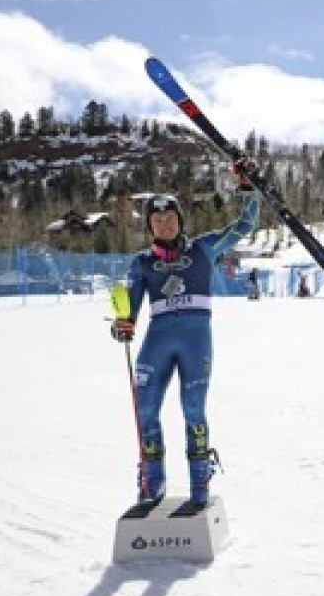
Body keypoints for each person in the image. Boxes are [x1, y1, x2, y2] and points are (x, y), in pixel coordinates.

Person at [109, 176, 260, 514]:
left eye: (170, 217)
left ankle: (199, 484)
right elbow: (129, 309)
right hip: (157, 339)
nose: (164, 223)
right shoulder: (142, 263)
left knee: (193, 408)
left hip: (195, 340)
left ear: (180, 219)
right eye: (157, 219)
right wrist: (123, 325)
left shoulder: (203, 248)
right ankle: (152, 484)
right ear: (150, 226)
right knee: (144, 408)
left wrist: (248, 189)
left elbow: (246, 224)